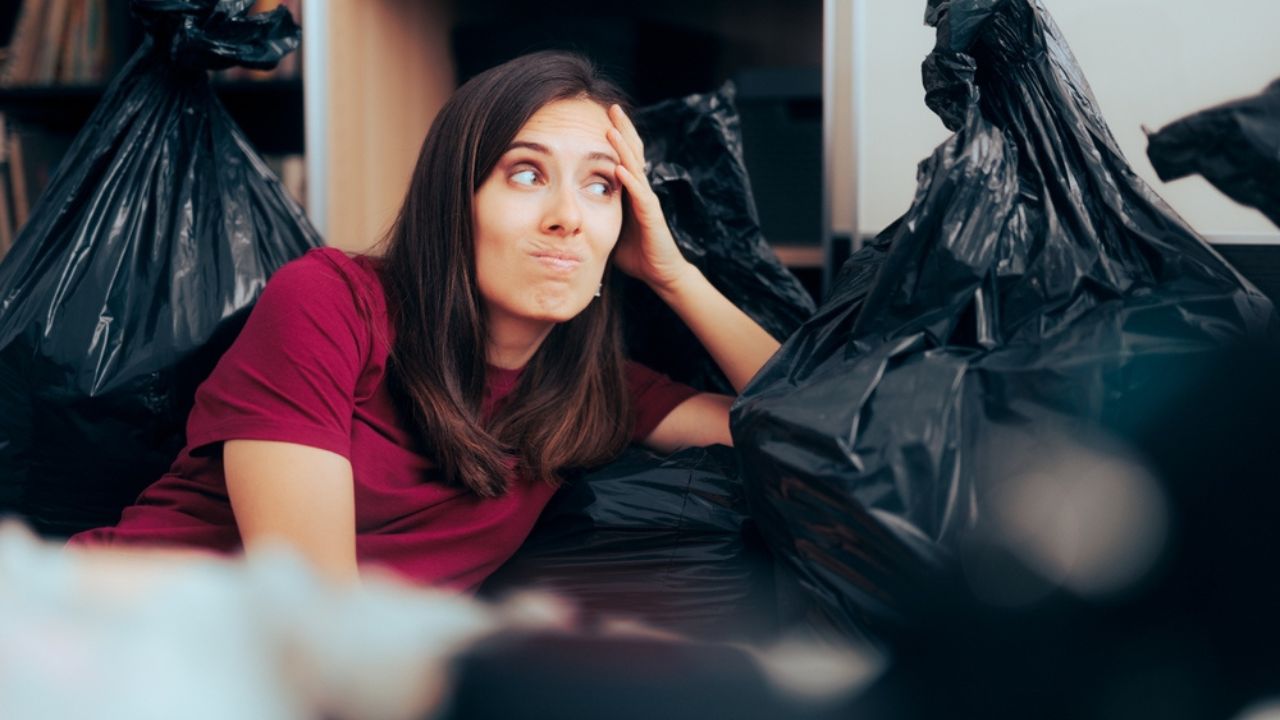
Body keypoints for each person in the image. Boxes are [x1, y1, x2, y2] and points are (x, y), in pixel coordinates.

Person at [67, 51, 781, 588]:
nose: (568, 218)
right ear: (454, 197)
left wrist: (672, 274)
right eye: (527, 174)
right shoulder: (329, 302)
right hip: (98, 644)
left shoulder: (593, 394)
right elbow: (315, 610)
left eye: (600, 186)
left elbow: (813, 431)